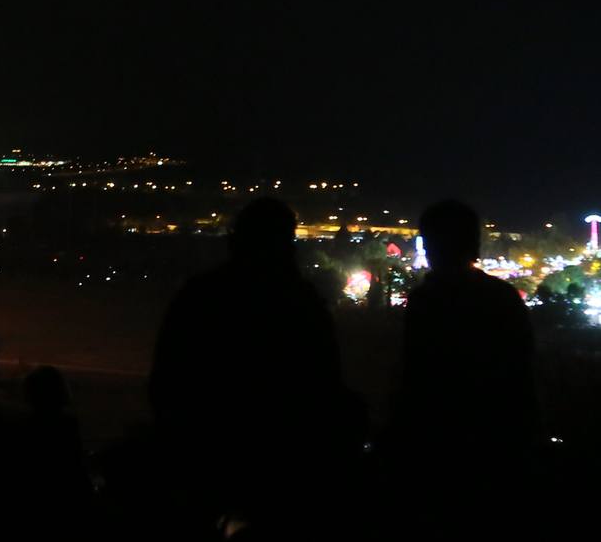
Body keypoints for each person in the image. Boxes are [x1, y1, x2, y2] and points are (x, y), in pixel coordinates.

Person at [150, 197, 359, 537]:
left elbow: (167, 382)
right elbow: (325, 385)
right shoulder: (302, 303)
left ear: (236, 240)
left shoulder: (202, 296)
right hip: (284, 471)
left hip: (207, 463)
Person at [393, 200, 536, 533]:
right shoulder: (502, 298)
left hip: (437, 455)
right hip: (499, 454)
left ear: (431, 246)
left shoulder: (427, 301)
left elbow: (414, 380)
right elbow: (522, 377)